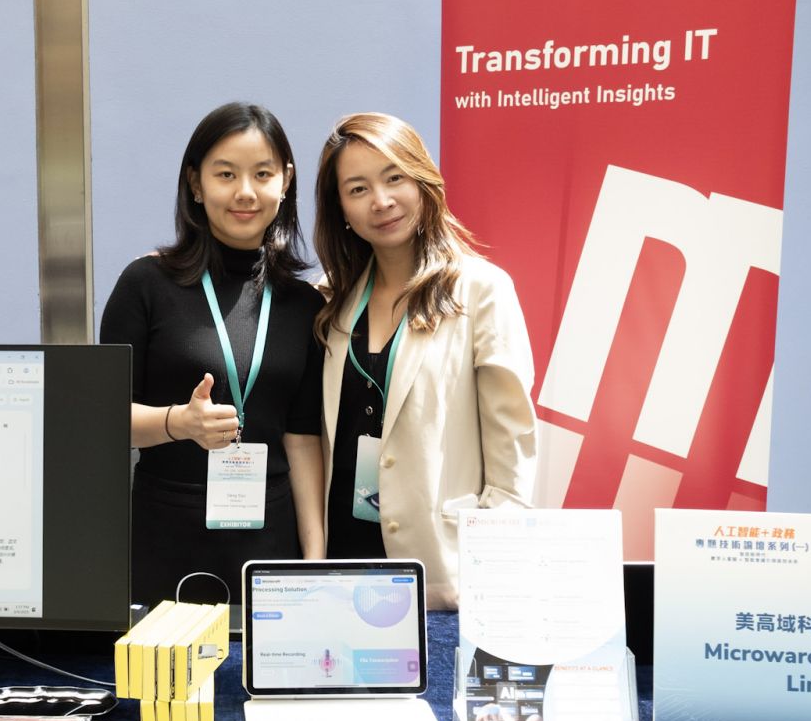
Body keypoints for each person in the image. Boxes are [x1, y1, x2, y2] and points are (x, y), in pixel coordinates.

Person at [101, 103, 325, 606]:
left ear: (285, 182)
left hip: (271, 545)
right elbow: (102, 421)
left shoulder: (304, 303)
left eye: (262, 174)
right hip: (165, 541)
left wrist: (314, 555)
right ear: (196, 184)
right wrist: (178, 422)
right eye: (226, 174)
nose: (245, 192)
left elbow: (302, 439)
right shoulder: (146, 284)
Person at [313, 112, 537, 609]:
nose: (381, 201)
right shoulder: (327, 299)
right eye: (358, 189)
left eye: (394, 178)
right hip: (340, 568)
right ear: (340, 208)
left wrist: (495, 565)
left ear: (422, 180)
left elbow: (513, 446)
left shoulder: (480, 290)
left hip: (441, 571)